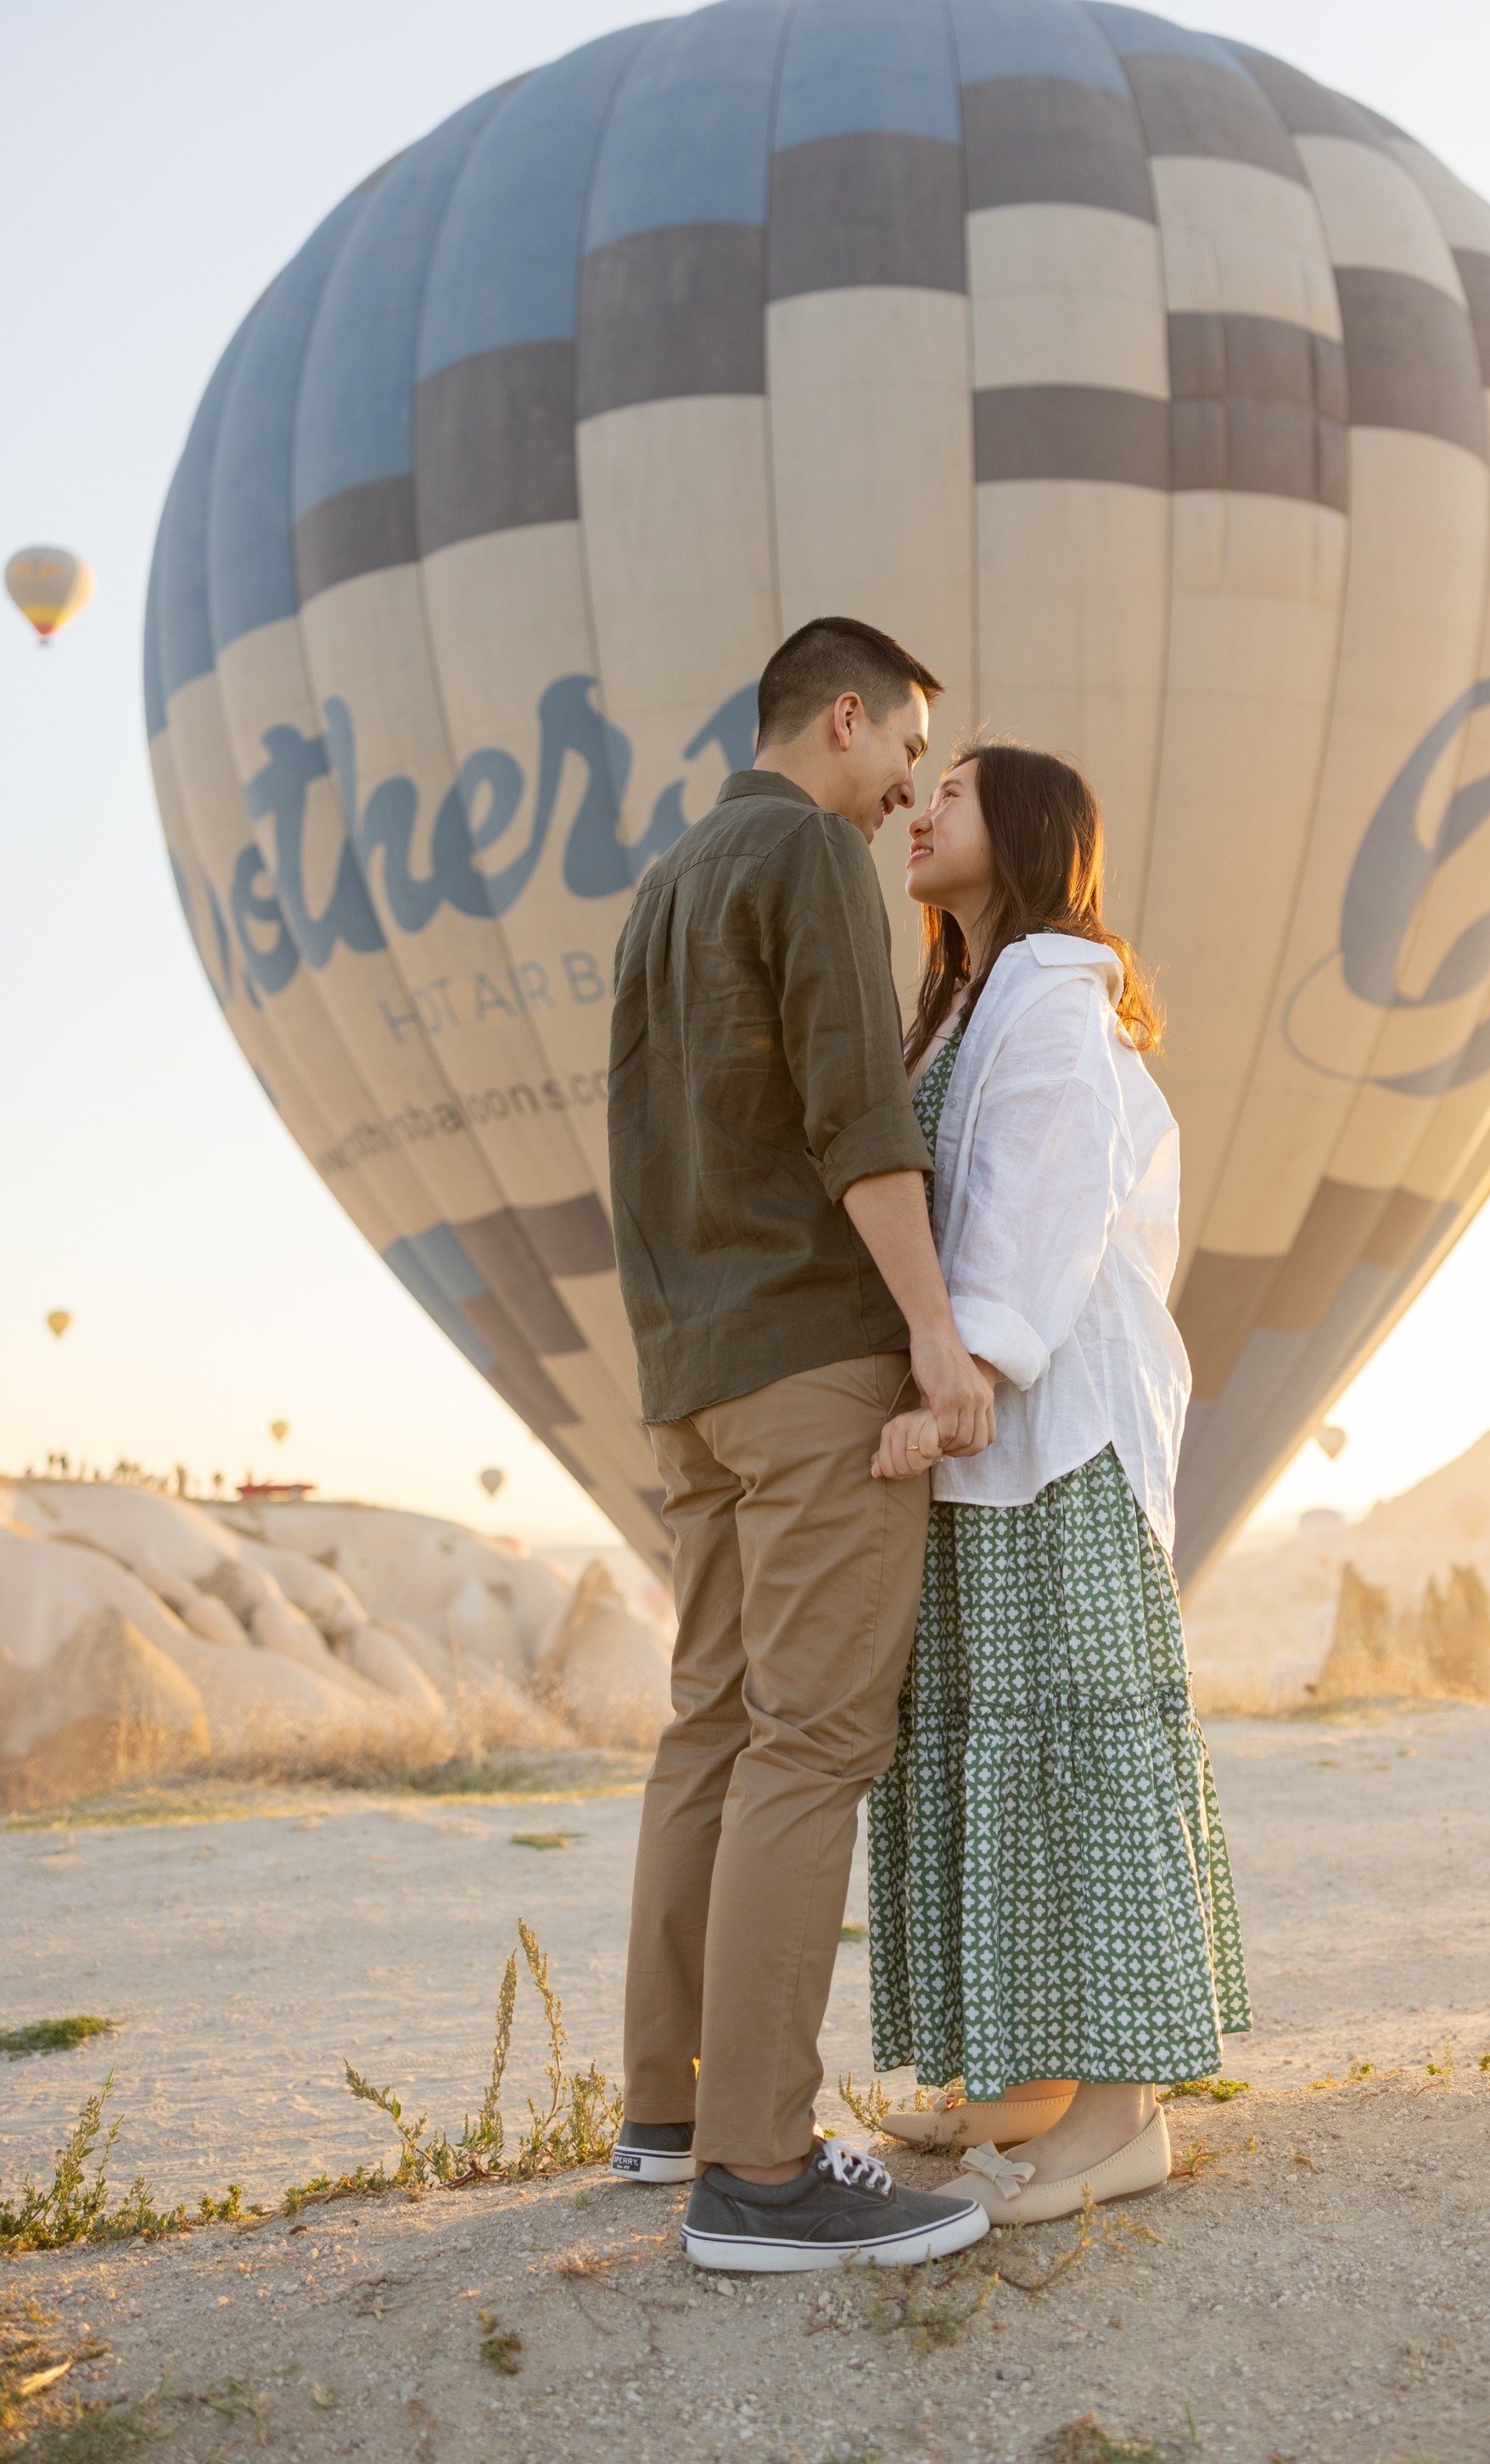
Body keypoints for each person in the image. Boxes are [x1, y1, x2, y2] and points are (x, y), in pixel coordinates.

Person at [605, 617, 998, 2272]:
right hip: (812, 1360)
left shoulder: (668, 885)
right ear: (846, 717)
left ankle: (670, 2114)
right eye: (909, 741)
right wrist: (928, 1324)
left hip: (693, 1366)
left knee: (710, 1721)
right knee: (816, 1742)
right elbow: (861, 1108)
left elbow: (640, 1151)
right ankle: (761, 2174)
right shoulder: (817, 861)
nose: (910, 779)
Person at [865, 742, 1251, 2225]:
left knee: (1080, 1750)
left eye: (951, 791)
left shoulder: (1051, 993)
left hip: (1051, 1437)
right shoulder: (964, 997)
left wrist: (977, 1369)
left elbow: (1047, 1201)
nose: (918, 808)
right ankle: (1026, 2080)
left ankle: (1122, 2117)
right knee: (991, 1744)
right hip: (984, 1441)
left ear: (1023, 828)